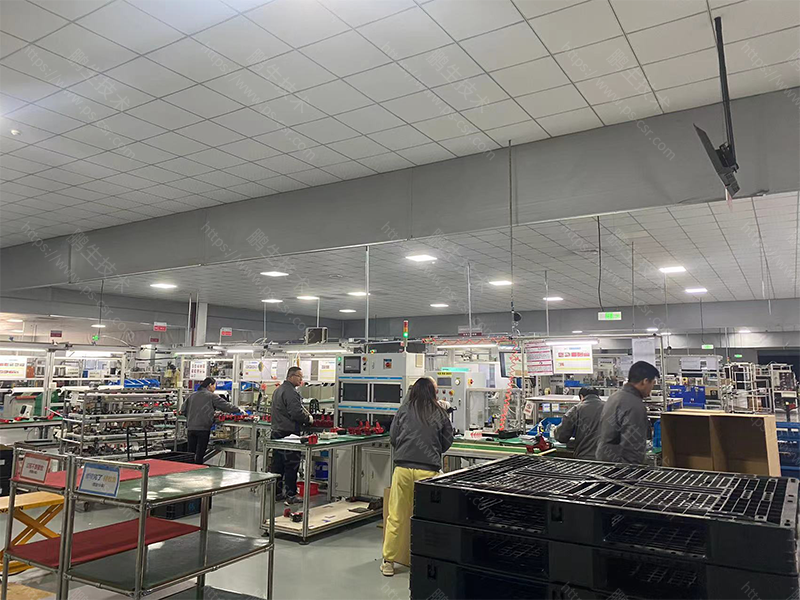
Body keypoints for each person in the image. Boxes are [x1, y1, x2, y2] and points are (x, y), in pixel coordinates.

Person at [382, 377, 454, 577]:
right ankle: (426, 561)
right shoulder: (439, 412)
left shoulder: (403, 410)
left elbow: (393, 437)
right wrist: (433, 450)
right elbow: (447, 440)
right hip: (428, 472)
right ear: (432, 392)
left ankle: (388, 562)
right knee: (428, 518)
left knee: (396, 516)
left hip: (403, 470)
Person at [596, 361, 659, 464]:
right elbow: (633, 447)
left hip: (605, 460)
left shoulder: (614, 397)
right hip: (621, 466)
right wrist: (634, 468)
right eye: (652, 383)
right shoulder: (635, 405)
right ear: (645, 381)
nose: (652, 388)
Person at [270, 367, 313, 505]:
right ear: (291, 376)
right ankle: (291, 494)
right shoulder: (291, 392)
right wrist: (308, 419)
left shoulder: (278, 390)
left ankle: (277, 493)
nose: (301, 379)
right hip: (289, 434)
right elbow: (296, 413)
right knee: (291, 465)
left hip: (277, 432)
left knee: (278, 465)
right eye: (299, 376)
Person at [180, 377, 243, 464]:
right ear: (210, 385)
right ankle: (197, 470)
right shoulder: (211, 396)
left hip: (191, 429)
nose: (214, 388)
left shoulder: (192, 396)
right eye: (214, 386)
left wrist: (191, 417)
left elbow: (183, 410)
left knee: (190, 454)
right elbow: (225, 406)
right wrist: (239, 410)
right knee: (199, 456)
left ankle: (188, 470)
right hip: (203, 429)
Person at [554, 387, 604, 460]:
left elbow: (561, 436)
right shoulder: (609, 407)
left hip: (585, 457)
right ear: (598, 396)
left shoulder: (576, 409)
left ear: (581, 396)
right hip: (608, 458)